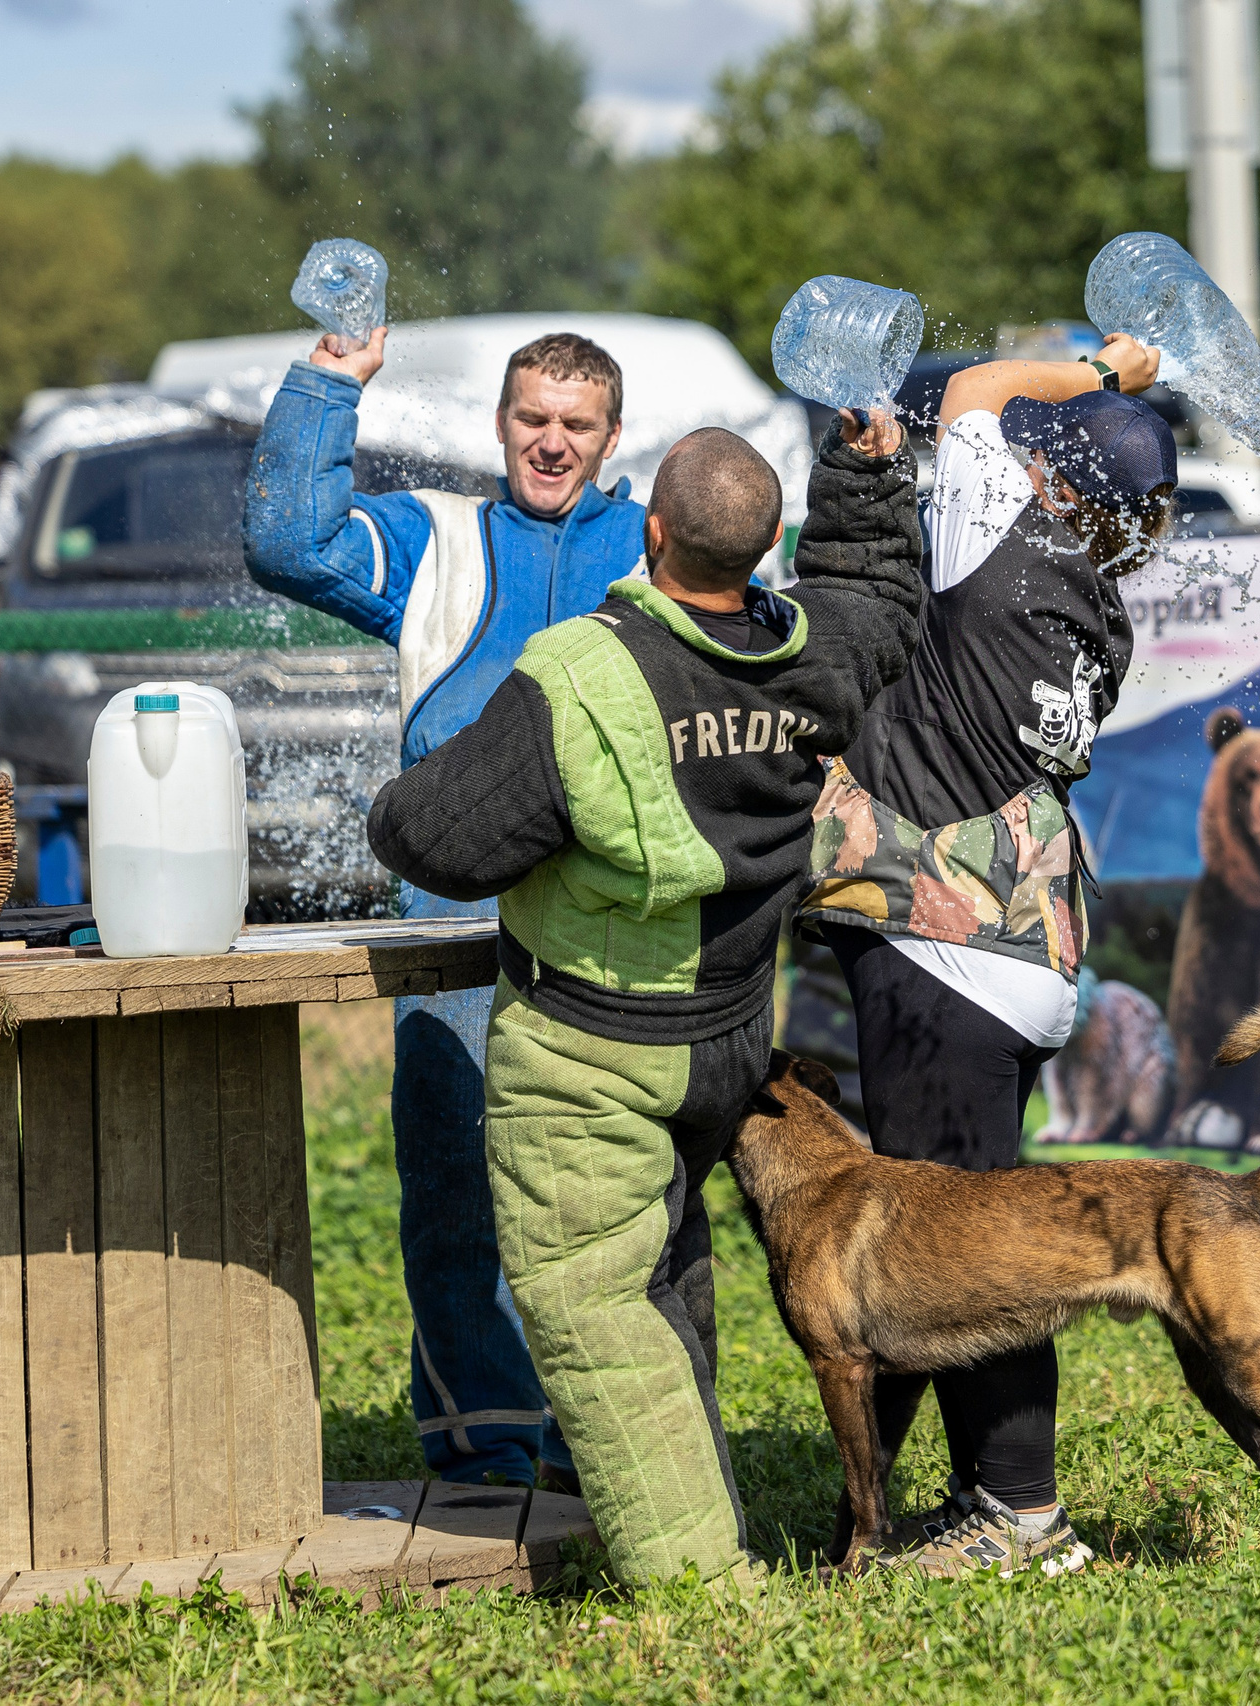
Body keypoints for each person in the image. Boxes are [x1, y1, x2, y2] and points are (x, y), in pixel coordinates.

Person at [364, 417, 924, 1586]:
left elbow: (433, 835)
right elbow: (879, 592)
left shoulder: (585, 667)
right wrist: (866, 472)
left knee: (599, 1311)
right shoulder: (819, 654)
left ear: (650, 531)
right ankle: (697, 1502)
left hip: (594, 1055)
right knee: (662, 1281)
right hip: (727, 1040)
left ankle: (705, 1592)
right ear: (768, 550)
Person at [796, 333, 1178, 1578]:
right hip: (1028, 946)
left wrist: (1098, 366)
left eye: (1031, 457)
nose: (1003, 456)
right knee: (941, 1229)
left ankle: (1016, 1512)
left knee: (960, 1257)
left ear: (1055, 485)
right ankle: (873, 1507)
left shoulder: (995, 546)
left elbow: (971, 394)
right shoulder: (1099, 611)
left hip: (944, 946)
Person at [243, 326, 650, 1491]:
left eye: (576, 424)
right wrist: (328, 387)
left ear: (611, 438)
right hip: (451, 901)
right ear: (501, 424)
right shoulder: (442, 537)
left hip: (610, 904)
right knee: (453, 1164)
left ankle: (603, 1437)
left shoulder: (650, 540)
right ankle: (485, 1435)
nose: (552, 441)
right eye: (532, 418)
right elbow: (288, 541)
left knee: (608, 1176)